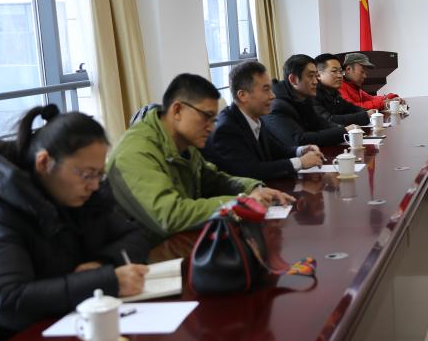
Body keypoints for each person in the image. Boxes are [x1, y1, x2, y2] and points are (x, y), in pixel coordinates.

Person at [0, 106, 150, 341]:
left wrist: (103, 264)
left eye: (99, 174)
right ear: (44, 162)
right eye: (86, 174)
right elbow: (6, 301)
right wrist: (105, 281)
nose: (94, 185)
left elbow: (135, 233)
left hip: (57, 331)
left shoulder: (84, 198)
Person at [108, 73, 293, 241]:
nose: (211, 128)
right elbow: (170, 216)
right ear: (177, 110)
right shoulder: (135, 152)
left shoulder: (183, 142)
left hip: (184, 241)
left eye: (214, 119)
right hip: (146, 256)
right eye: (206, 117)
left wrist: (254, 188)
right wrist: (241, 203)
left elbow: (213, 179)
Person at [203, 60, 324, 181]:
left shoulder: (255, 117)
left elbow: (277, 151)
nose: (273, 95)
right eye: (266, 89)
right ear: (243, 95)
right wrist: (300, 162)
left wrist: (301, 151)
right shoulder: (226, 129)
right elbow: (251, 171)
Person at [264, 54, 359, 148]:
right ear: (293, 79)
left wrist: (343, 129)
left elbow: (320, 123)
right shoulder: (276, 106)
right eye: (310, 76)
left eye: (316, 76)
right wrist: (344, 132)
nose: (316, 81)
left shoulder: (304, 98)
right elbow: (299, 140)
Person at [313, 53, 371, 127]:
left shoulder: (334, 93)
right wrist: (365, 115)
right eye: (334, 71)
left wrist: (369, 113)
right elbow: (328, 120)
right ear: (318, 75)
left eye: (340, 71)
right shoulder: (313, 94)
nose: (340, 75)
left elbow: (351, 108)